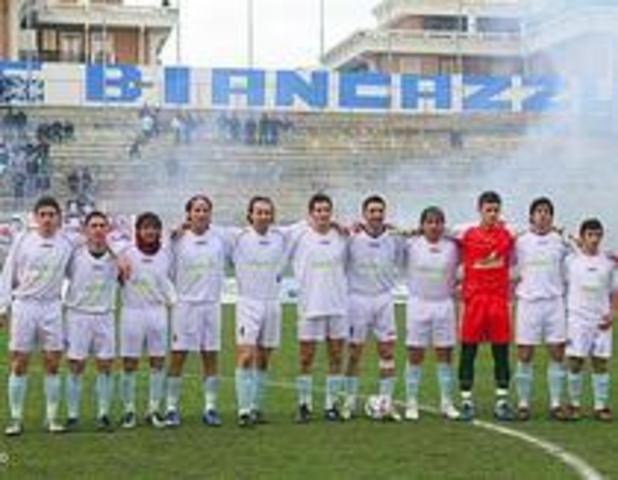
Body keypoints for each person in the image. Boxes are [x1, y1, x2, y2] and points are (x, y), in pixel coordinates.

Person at [2, 196, 75, 436]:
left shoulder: (67, 243)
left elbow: (79, 269)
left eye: (51, 215)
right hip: (24, 305)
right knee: (19, 362)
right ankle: (15, 418)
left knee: (53, 362)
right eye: (43, 214)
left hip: (52, 307)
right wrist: (2, 308)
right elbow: (7, 274)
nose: (47, 219)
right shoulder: (23, 240)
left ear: (59, 218)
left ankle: (51, 418)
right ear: (35, 217)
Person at [164, 196, 229, 427]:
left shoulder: (220, 238)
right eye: (197, 210)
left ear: (210, 214)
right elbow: (165, 268)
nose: (201, 214)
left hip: (211, 305)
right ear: (189, 214)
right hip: (186, 306)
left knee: (210, 356)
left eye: (205, 210)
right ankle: (171, 408)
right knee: (178, 356)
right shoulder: (177, 239)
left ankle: (210, 408)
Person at [455, 191, 516, 421]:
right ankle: (466, 401)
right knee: (468, 351)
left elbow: (530, 231)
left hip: (498, 301)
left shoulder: (507, 236)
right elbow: (440, 231)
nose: (492, 214)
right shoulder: (467, 234)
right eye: (488, 210)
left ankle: (502, 401)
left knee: (500, 352)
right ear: (479, 210)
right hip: (475, 302)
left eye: (496, 210)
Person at [288, 193, 348, 423]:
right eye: (318, 210)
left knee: (336, 356)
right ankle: (304, 404)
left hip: (337, 305)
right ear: (311, 213)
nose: (323, 214)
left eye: (326, 210)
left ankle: (331, 405)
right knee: (306, 358)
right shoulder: (299, 234)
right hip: (309, 305)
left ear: (331, 212)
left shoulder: (341, 235)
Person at [342, 195, 402, 420]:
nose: (376, 215)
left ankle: (386, 401)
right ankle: (349, 401)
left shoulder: (394, 238)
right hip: (357, 299)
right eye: (372, 211)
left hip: (384, 299)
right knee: (354, 352)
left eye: (380, 211)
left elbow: (403, 259)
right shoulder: (352, 238)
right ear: (364, 214)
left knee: (387, 351)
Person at [231, 196, 288, 426]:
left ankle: (257, 407)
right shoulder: (237, 237)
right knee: (246, 356)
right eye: (259, 212)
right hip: (248, 303)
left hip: (272, 303)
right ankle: (243, 410)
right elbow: (206, 229)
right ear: (250, 215)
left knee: (264, 358)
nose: (263, 216)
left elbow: (311, 226)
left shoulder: (282, 236)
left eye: (267, 212)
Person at [514, 197, 569, 421]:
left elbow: (580, 257)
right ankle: (523, 403)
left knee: (557, 352)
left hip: (554, 302)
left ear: (552, 217)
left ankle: (555, 404)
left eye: (547, 211)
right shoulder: (520, 241)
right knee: (525, 354)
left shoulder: (560, 241)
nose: (543, 215)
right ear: (531, 216)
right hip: (528, 303)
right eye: (539, 211)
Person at [119, 212, 175, 429]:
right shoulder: (126, 252)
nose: (150, 231)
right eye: (145, 228)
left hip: (158, 312)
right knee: (129, 363)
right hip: (132, 312)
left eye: (154, 228)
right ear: (138, 231)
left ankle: (153, 410)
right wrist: (118, 259)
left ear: (159, 231)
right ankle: (128, 410)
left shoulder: (166, 254)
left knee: (157, 362)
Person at [64, 211, 119, 431]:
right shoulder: (74, 254)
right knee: (76, 365)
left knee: (105, 365)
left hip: (105, 315)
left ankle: (103, 414)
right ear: (85, 229)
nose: (98, 230)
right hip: (78, 315)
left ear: (108, 229)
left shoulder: (116, 256)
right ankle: (72, 415)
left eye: (102, 226)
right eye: (93, 226)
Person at [404, 206, 460, 421]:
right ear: (422, 225)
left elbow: (467, 232)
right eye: (429, 222)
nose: (434, 226)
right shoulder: (411, 244)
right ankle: (411, 401)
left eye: (438, 222)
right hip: (418, 304)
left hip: (444, 304)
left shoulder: (453, 246)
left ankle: (446, 402)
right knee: (415, 354)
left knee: (445, 354)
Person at [565, 218, 618, 421]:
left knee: (600, 363)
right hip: (577, 319)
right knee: (575, 361)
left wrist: (613, 313)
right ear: (583, 236)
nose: (594, 239)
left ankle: (601, 406)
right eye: (590, 235)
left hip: (601, 319)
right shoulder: (570, 260)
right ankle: (574, 405)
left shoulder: (608, 262)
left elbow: (614, 291)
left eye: (597, 235)